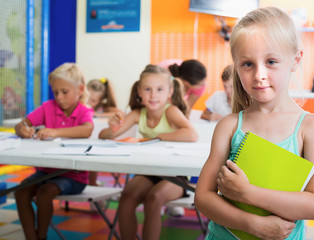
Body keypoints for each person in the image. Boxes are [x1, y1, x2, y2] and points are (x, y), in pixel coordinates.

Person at [194, 7, 314, 240]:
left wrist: (248, 193)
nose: (259, 74)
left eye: (271, 61)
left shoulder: (310, 127)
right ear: (236, 66)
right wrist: (253, 224)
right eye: (247, 64)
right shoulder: (229, 126)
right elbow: (203, 198)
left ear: (295, 60)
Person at [99, 64, 198, 240]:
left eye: (159, 89)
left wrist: (158, 137)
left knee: (154, 198)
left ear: (169, 91)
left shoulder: (171, 111)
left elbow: (191, 134)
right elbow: (105, 136)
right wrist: (112, 128)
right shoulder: (138, 114)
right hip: (148, 173)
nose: (153, 95)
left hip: (175, 177)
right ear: (139, 91)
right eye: (147, 89)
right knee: (127, 197)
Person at [14, 63, 94, 240]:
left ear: (80, 89)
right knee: (21, 192)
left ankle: (41, 236)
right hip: (46, 172)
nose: (59, 97)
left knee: (44, 193)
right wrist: (23, 130)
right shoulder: (47, 107)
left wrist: (55, 131)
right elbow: (21, 125)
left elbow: (86, 130)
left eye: (64, 92)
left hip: (74, 176)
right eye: (55, 92)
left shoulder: (84, 111)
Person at [86, 77, 123, 186]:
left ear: (100, 100)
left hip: (98, 146)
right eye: (87, 98)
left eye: (93, 100)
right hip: (84, 143)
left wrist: (98, 115)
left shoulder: (103, 108)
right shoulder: (79, 107)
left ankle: (93, 184)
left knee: (92, 156)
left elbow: (121, 113)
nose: (88, 102)